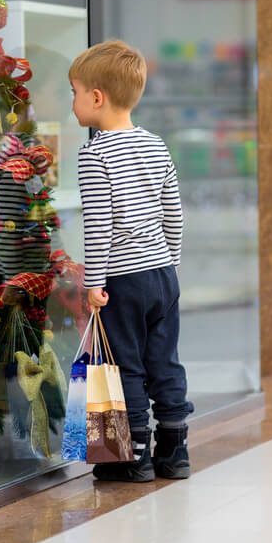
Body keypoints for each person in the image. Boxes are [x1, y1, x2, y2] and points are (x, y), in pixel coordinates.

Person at [70, 40, 191, 482]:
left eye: (75, 92)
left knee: (128, 367)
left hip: (123, 280)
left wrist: (93, 283)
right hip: (162, 275)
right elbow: (173, 213)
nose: (73, 102)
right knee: (165, 362)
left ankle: (133, 458)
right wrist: (172, 263)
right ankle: (175, 453)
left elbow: (98, 227)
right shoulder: (156, 145)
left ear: (96, 98)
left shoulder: (94, 154)